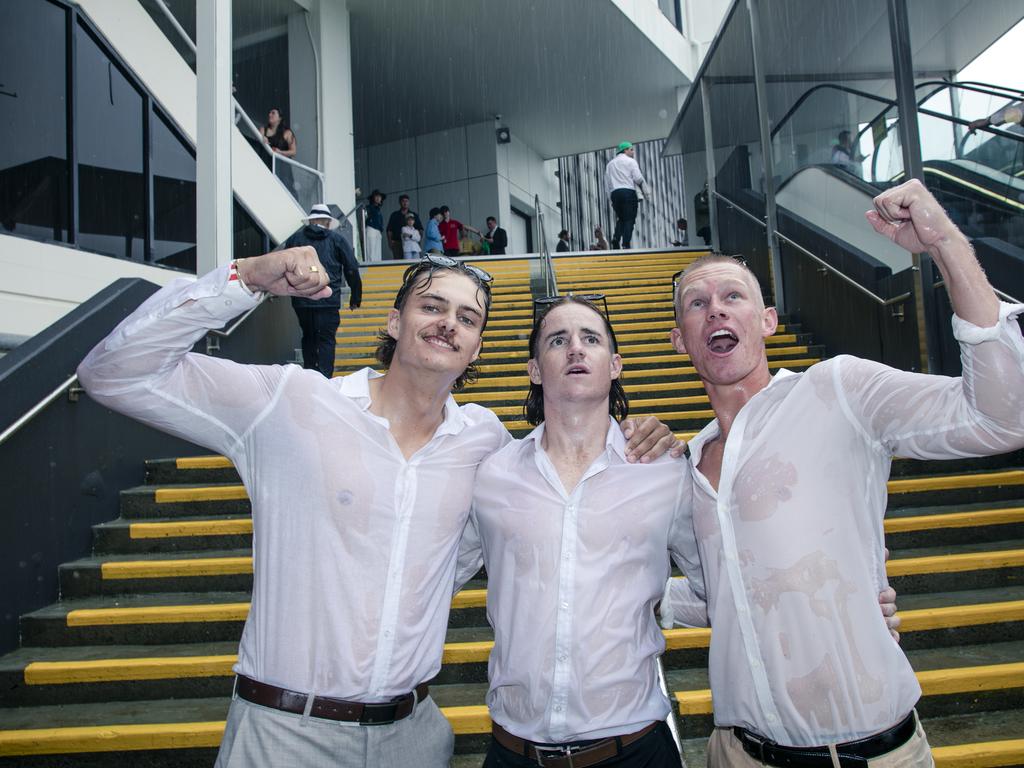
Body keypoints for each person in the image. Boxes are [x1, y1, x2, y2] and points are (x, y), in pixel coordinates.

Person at [76, 250, 675, 767]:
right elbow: (112, 374)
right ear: (394, 319)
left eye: (468, 318)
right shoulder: (294, 402)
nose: (448, 324)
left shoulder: (485, 446)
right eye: (432, 306)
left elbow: (517, 526)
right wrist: (245, 278)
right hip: (284, 733)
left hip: (411, 739)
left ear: (477, 349)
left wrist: (641, 436)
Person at [667, 179, 1024, 767]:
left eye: (734, 296)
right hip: (736, 755)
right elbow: (716, 595)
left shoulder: (839, 390)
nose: (717, 310)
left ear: (769, 321)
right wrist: (623, 592)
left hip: (869, 753)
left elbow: (1000, 417)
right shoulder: (685, 471)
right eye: (697, 304)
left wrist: (942, 243)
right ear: (681, 340)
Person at [458, 295, 705, 767]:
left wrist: (654, 603)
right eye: (558, 340)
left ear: (614, 365)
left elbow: (720, 587)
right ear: (534, 369)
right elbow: (434, 577)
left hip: (634, 748)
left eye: (590, 339)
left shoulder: (664, 471)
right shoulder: (492, 475)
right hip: (514, 750)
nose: (575, 349)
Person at [284, 203, 362, 378]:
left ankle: (311, 377)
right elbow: (351, 268)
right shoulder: (337, 239)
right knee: (326, 340)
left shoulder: (295, 240)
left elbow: (283, 266)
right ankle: (325, 379)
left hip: (302, 300)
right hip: (328, 299)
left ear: (311, 221)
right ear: (327, 221)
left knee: (309, 337)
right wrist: (355, 298)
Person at [605, 141, 648, 249]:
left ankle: (616, 238)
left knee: (622, 218)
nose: (633, 152)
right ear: (625, 150)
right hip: (628, 192)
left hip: (615, 193)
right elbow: (638, 178)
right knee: (630, 219)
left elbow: (607, 183)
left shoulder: (610, 164)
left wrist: (611, 199)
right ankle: (626, 243)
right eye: (631, 149)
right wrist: (644, 189)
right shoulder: (631, 161)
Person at [262, 107, 297, 190]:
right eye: (269, 113)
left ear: (280, 118)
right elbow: (260, 137)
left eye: (273, 113)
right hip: (267, 164)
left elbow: (293, 152)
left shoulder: (287, 133)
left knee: (285, 189)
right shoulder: (263, 129)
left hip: (283, 168)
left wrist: (280, 152)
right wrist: (263, 137)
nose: (270, 115)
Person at [387, 195, 423, 260]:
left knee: (413, 263)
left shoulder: (414, 215)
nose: (405, 203)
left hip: (412, 244)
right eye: (403, 201)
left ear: (409, 202)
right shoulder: (394, 215)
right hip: (397, 243)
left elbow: (420, 229)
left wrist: (419, 242)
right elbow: (389, 230)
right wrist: (390, 242)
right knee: (398, 262)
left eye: (406, 201)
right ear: (400, 202)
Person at [364, 190, 386, 263]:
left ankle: (377, 266)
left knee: (377, 252)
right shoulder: (368, 207)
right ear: (372, 198)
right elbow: (363, 220)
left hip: (378, 231)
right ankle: (370, 265)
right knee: (371, 251)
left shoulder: (378, 209)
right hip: (371, 229)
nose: (378, 198)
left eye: (379, 197)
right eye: (376, 196)